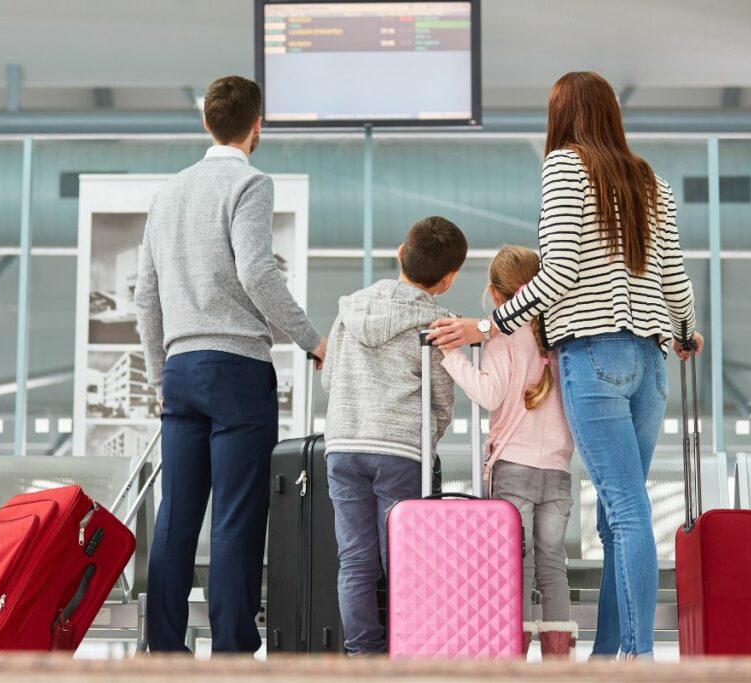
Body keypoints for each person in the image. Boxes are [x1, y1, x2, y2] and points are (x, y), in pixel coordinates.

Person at [428, 71, 704, 661]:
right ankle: (609, 655)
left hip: (596, 353)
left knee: (624, 510)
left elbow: (558, 276)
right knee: (617, 514)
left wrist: (485, 327)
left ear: (563, 116)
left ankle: (637, 657)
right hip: (651, 362)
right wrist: (683, 332)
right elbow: (676, 282)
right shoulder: (652, 181)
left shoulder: (565, 168)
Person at [134, 75, 327, 654]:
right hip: (237, 369)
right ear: (256, 125)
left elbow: (146, 296)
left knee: (177, 517)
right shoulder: (250, 182)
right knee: (237, 518)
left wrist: (156, 373)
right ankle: (233, 654)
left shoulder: (168, 193)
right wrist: (313, 342)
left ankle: (164, 652)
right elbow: (258, 273)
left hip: (180, 370)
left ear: (205, 123)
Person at [321, 216, 467, 655]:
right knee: (403, 562)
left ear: (401, 253)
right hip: (400, 451)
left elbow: (330, 378)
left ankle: (362, 657)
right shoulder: (439, 323)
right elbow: (442, 399)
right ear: (448, 281)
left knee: (355, 562)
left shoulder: (352, 307)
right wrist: (426, 439)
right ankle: (407, 653)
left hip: (344, 447)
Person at [437, 245, 578, 660]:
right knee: (553, 563)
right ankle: (558, 659)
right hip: (559, 469)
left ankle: (511, 653)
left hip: (514, 467)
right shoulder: (562, 335)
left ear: (497, 297)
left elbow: (488, 391)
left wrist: (451, 357)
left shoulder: (504, 335)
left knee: (515, 564)